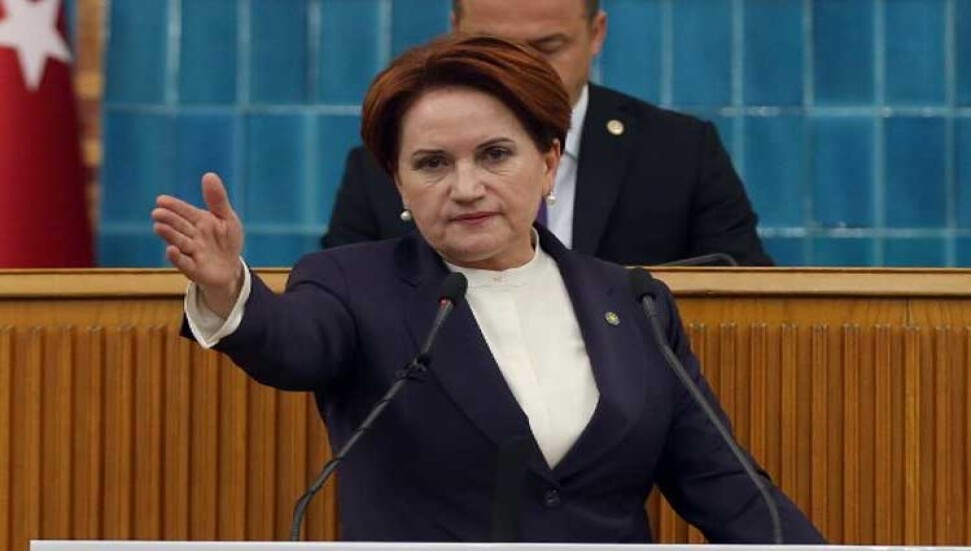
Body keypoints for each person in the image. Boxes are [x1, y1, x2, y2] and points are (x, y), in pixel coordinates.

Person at [152, 35, 821, 542]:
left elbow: (725, 486)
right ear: (398, 182)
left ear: (548, 163)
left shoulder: (632, 300)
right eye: (432, 163)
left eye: (495, 155)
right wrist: (230, 290)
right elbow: (291, 345)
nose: (466, 187)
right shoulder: (353, 283)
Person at [321, 0, 773, 267]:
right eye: (494, 47)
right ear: (456, 33)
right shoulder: (386, 162)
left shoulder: (680, 152)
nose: (519, 69)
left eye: (547, 47)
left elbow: (747, 298)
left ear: (596, 33)